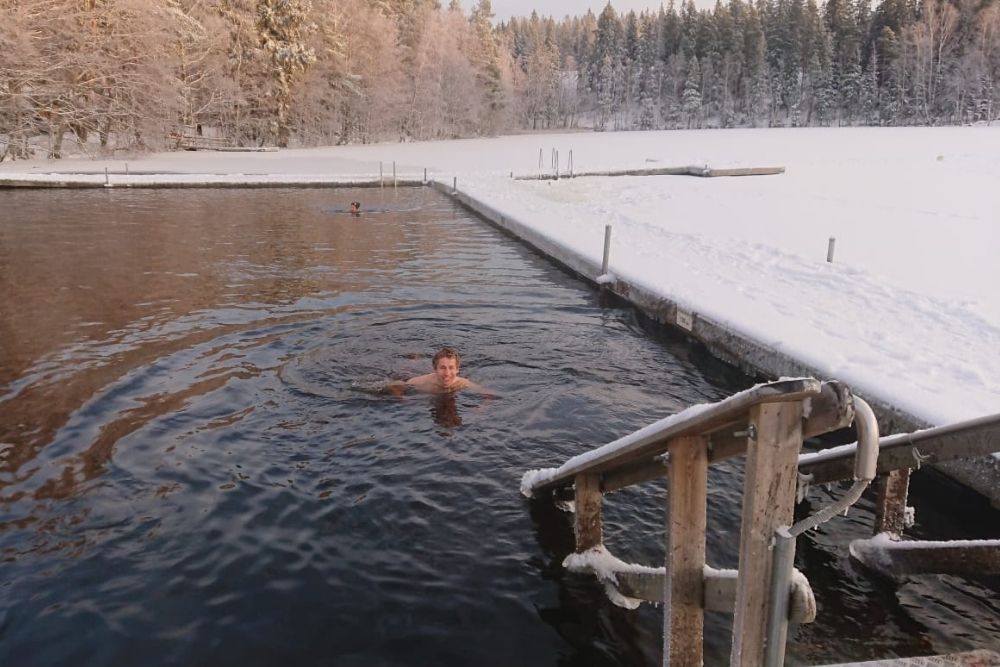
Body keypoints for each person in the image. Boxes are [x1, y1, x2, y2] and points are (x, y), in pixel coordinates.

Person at [386, 347, 489, 396]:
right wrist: (403, 401)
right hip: (413, 374)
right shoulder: (423, 382)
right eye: (443, 368)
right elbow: (396, 385)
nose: (447, 373)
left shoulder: (462, 382)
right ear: (435, 369)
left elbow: (489, 394)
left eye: (451, 368)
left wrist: (480, 409)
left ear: (457, 370)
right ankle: (413, 360)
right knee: (407, 370)